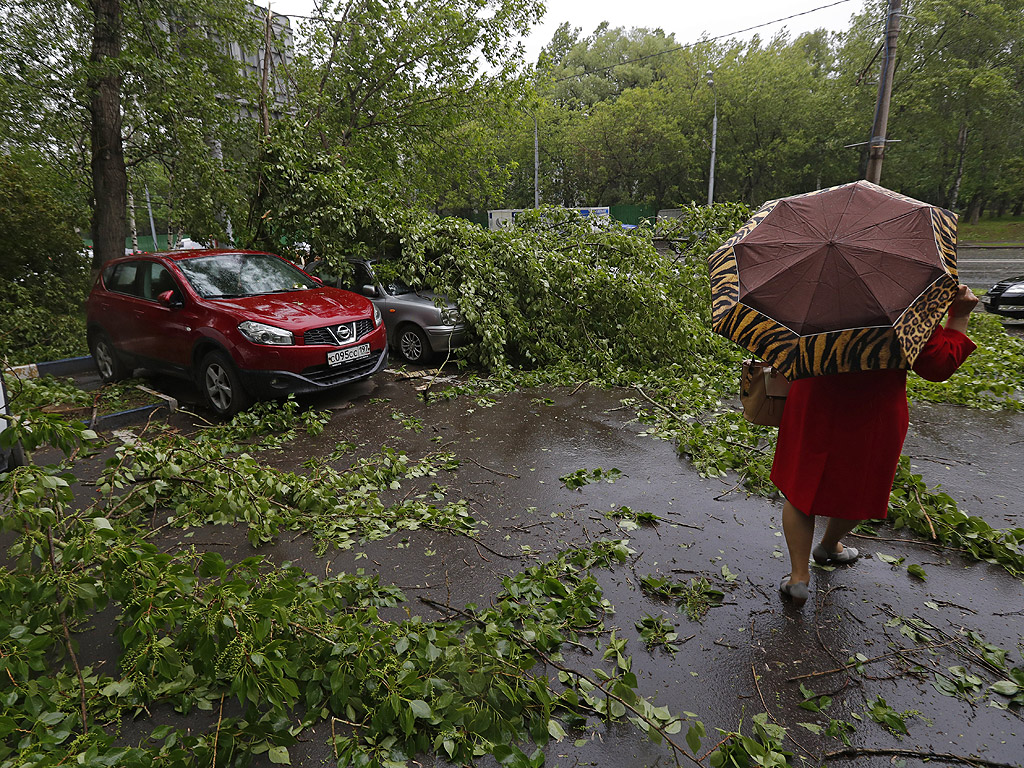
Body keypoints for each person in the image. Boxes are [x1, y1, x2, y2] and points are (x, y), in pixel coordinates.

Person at [772, 285, 979, 607]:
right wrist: (960, 315)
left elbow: (778, 345)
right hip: (874, 410)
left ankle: (799, 577)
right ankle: (829, 546)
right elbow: (937, 366)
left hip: (815, 400)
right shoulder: (902, 299)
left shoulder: (811, 290)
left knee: (801, 488)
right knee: (862, 487)